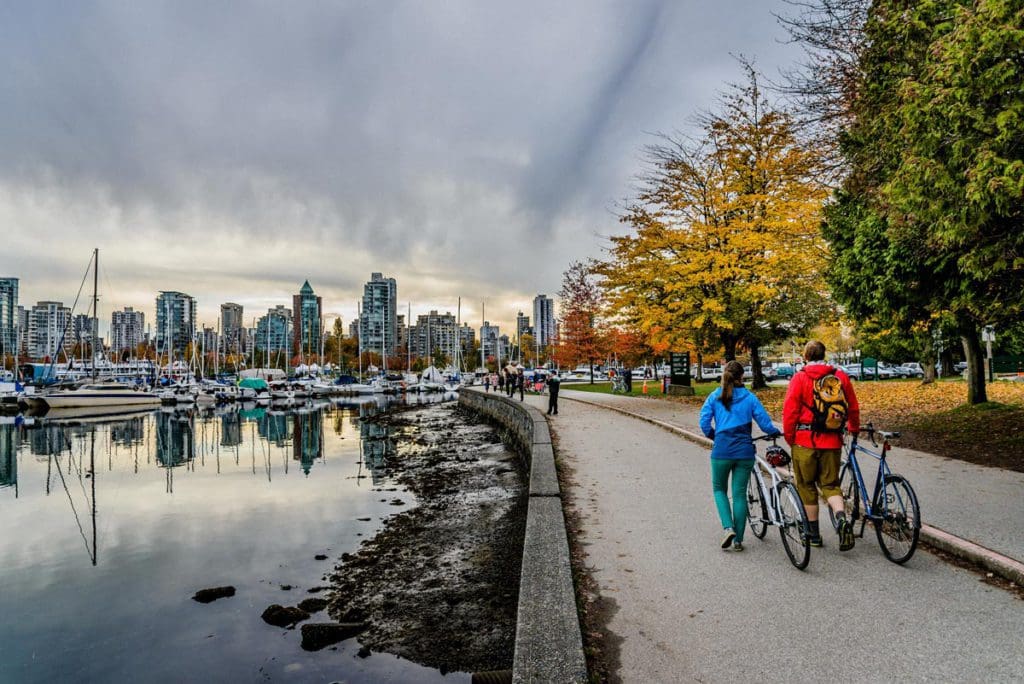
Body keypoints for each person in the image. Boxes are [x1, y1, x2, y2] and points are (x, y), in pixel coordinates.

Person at [782, 340, 861, 550]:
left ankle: (814, 535)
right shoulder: (840, 376)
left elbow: (790, 411)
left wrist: (790, 437)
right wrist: (854, 428)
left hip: (804, 440)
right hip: (832, 440)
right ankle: (841, 517)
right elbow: (852, 406)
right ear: (824, 354)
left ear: (806, 356)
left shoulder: (799, 378)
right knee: (830, 485)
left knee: (807, 486)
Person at [699, 360, 781, 552]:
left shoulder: (714, 397)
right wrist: (774, 432)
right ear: (742, 377)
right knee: (739, 494)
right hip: (744, 452)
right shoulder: (750, 398)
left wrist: (715, 436)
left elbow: (704, 423)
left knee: (719, 489)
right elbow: (764, 423)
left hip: (722, 451)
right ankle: (739, 540)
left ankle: (728, 528)